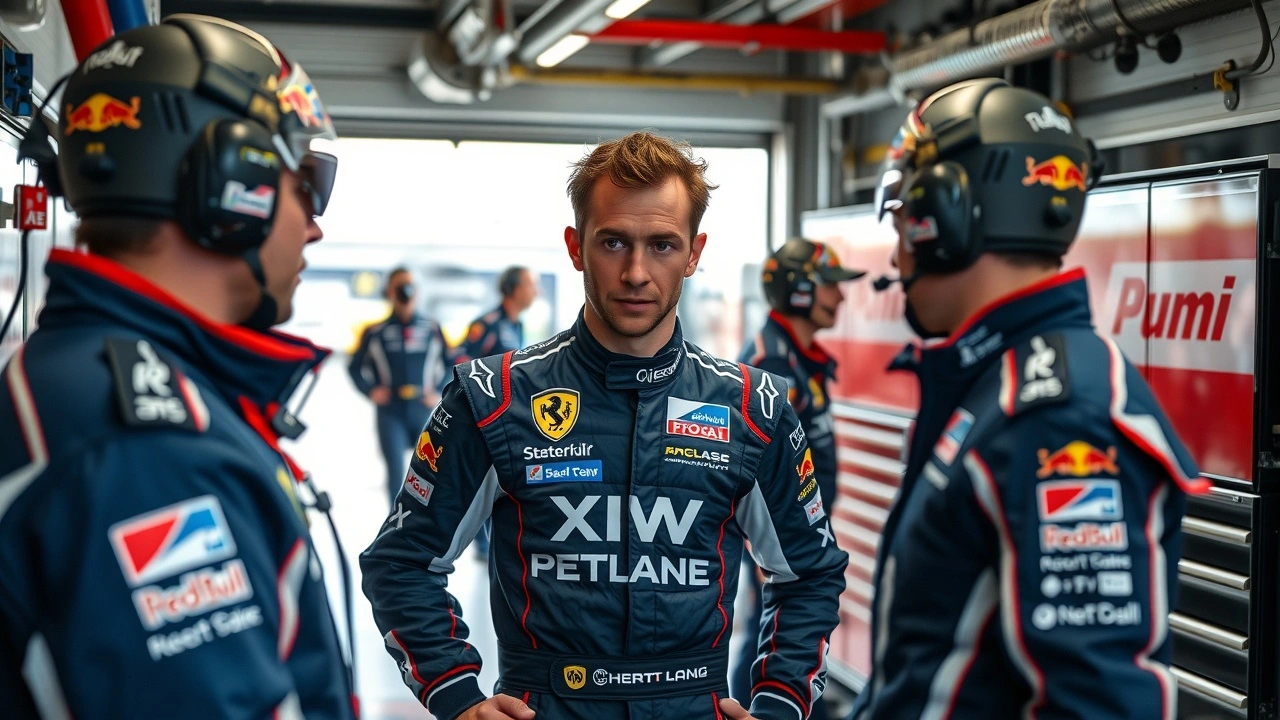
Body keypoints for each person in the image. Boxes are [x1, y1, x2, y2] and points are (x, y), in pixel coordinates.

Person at [361, 130, 848, 720]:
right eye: (613, 242)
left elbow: (810, 575)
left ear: (695, 253)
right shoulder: (493, 397)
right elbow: (402, 563)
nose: (636, 273)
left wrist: (779, 704)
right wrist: (458, 696)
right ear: (575, 246)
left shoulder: (754, 408)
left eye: (663, 246)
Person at [0, 16, 354, 718]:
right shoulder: (146, 456)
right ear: (235, 179)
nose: (314, 223)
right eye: (307, 179)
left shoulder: (91, 381)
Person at [849, 78, 1209, 719]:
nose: (899, 244)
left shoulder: (1057, 416)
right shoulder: (996, 387)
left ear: (948, 212)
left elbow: (1099, 706)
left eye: (907, 212)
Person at [732, 238, 864, 717]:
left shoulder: (802, 354)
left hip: (801, 527)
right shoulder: (772, 360)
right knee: (771, 621)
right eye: (830, 287)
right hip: (774, 534)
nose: (840, 297)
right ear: (801, 290)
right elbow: (754, 467)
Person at [349, 266, 450, 506]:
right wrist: (370, 390)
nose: (405, 291)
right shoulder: (375, 332)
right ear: (389, 291)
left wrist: (438, 391)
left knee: (431, 469)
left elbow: (451, 363)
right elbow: (354, 367)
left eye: (409, 286)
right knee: (395, 470)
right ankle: (397, 525)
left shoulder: (432, 328)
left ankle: (429, 526)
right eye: (399, 286)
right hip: (390, 411)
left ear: (416, 291)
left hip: (422, 410)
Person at [453, 265, 538, 364]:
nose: (536, 292)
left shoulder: (518, 324)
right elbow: (462, 363)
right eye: (531, 285)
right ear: (515, 289)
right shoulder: (488, 324)